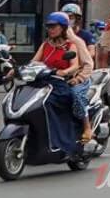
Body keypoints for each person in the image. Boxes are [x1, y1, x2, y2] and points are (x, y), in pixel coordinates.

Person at [35, 11, 95, 143]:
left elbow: (83, 65)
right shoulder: (46, 44)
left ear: (63, 28)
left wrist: (76, 77)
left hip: (76, 79)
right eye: (49, 27)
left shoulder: (74, 43)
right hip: (53, 80)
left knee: (74, 95)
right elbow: (34, 62)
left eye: (54, 26)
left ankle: (86, 127)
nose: (50, 30)